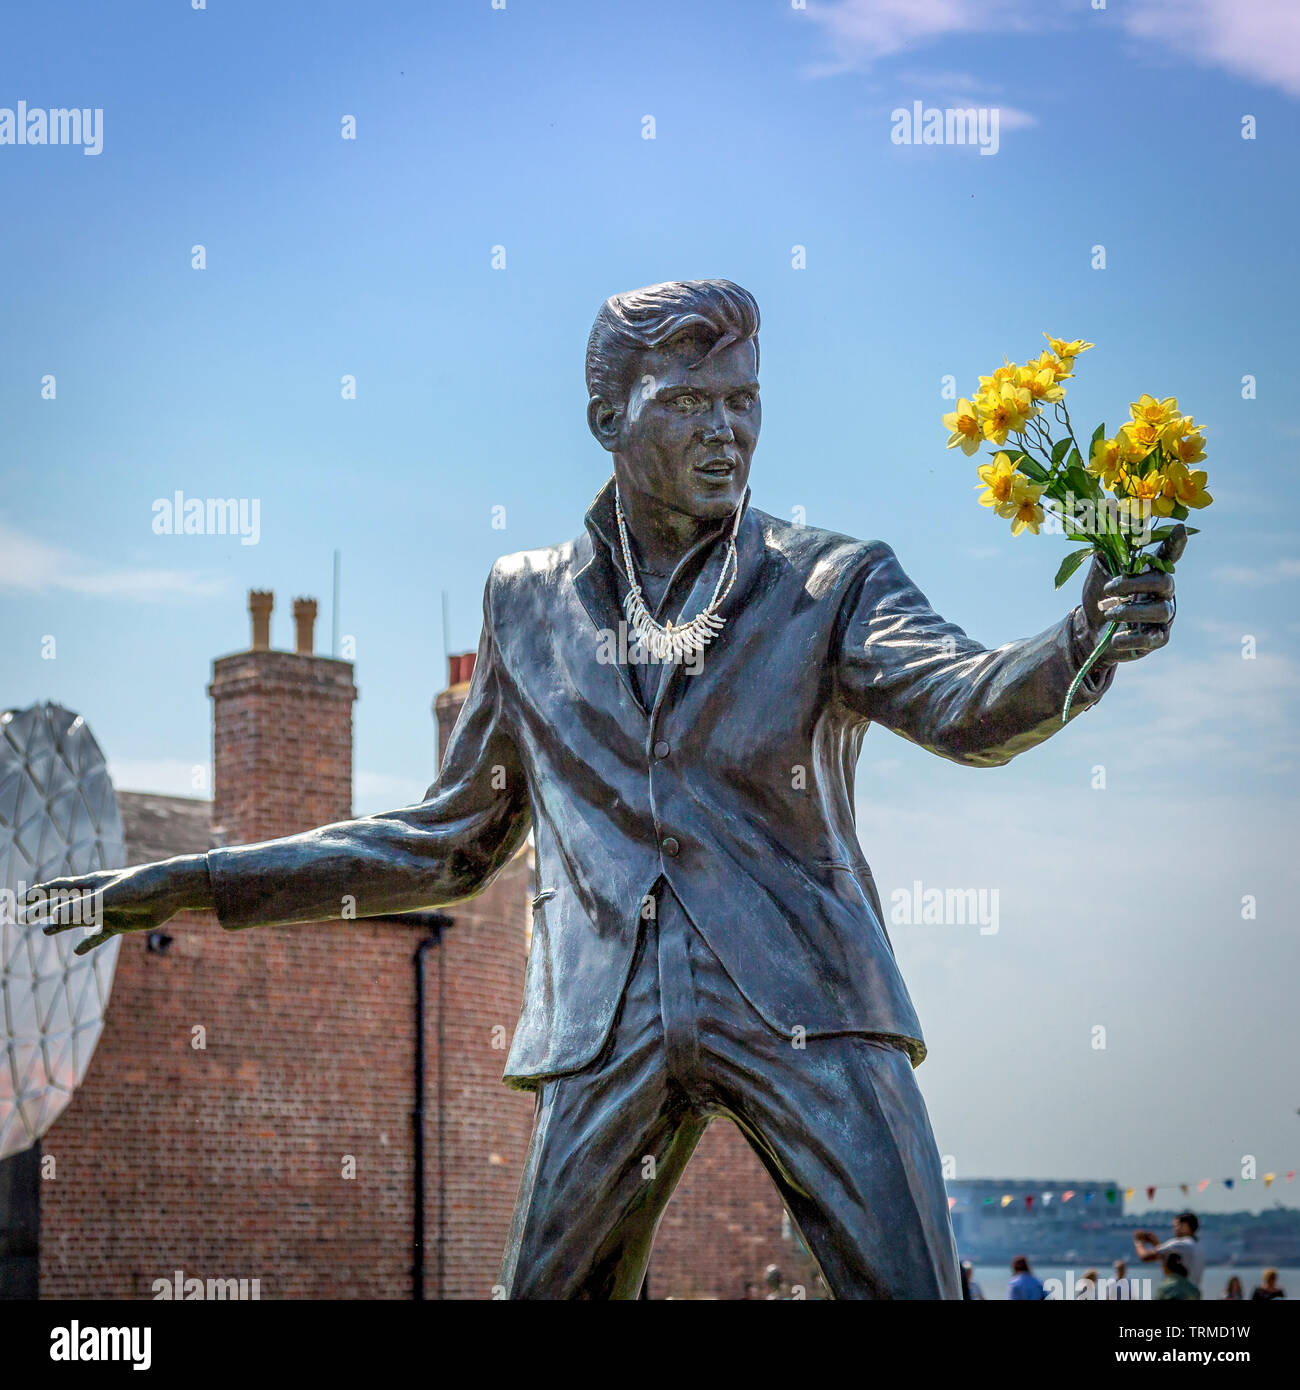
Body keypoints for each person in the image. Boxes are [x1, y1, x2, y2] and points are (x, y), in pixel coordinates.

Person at [26, 280, 1180, 1301]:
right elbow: (442, 845)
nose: (727, 432)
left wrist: (1082, 638)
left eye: (743, 401)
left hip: (812, 1006)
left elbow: (966, 703)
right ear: (608, 420)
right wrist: (186, 880)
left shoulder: (833, 581)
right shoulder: (524, 604)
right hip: (603, 1022)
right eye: (689, 403)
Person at [1134, 1211, 1206, 1292]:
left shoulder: (1180, 1243)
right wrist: (1155, 1243)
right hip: (1192, 1293)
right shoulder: (1198, 1245)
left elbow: (1145, 1256)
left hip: (1177, 1293)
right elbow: (1167, 1256)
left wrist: (1138, 1242)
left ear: (1185, 1226)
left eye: (1176, 1226)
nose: (1174, 1229)